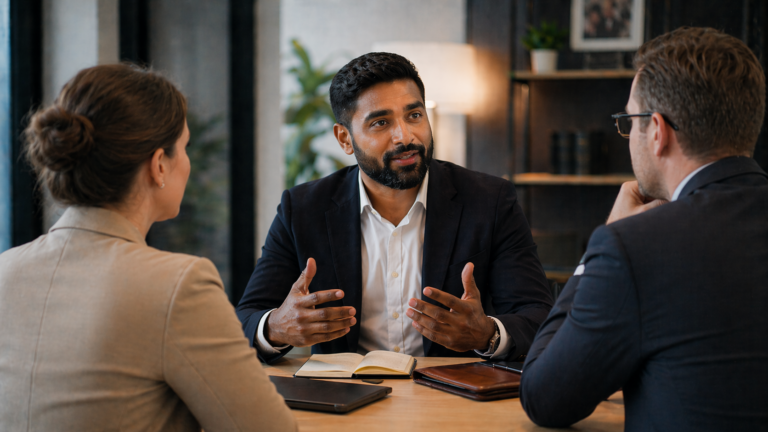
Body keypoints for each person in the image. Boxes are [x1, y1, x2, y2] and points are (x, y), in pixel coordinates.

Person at [0, 64, 296, 432]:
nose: (187, 163)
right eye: (184, 148)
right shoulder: (177, 286)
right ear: (159, 165)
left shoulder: (5, 270)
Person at [520, 27, 768, 431]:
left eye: (630, 121)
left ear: (657, 131)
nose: (628, 135)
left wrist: (602, 244)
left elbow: (545, 397)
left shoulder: (631, 247)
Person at [237, 52, 553, 363]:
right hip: (343, 401)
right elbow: (245, 320)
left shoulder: (490, 200)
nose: (405, 136)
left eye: (414, 115)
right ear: (345, 139)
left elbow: (539, 316)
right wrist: (277, 328)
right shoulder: (303, 208)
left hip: (453, 398)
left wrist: (488, 335)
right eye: (381, 123)